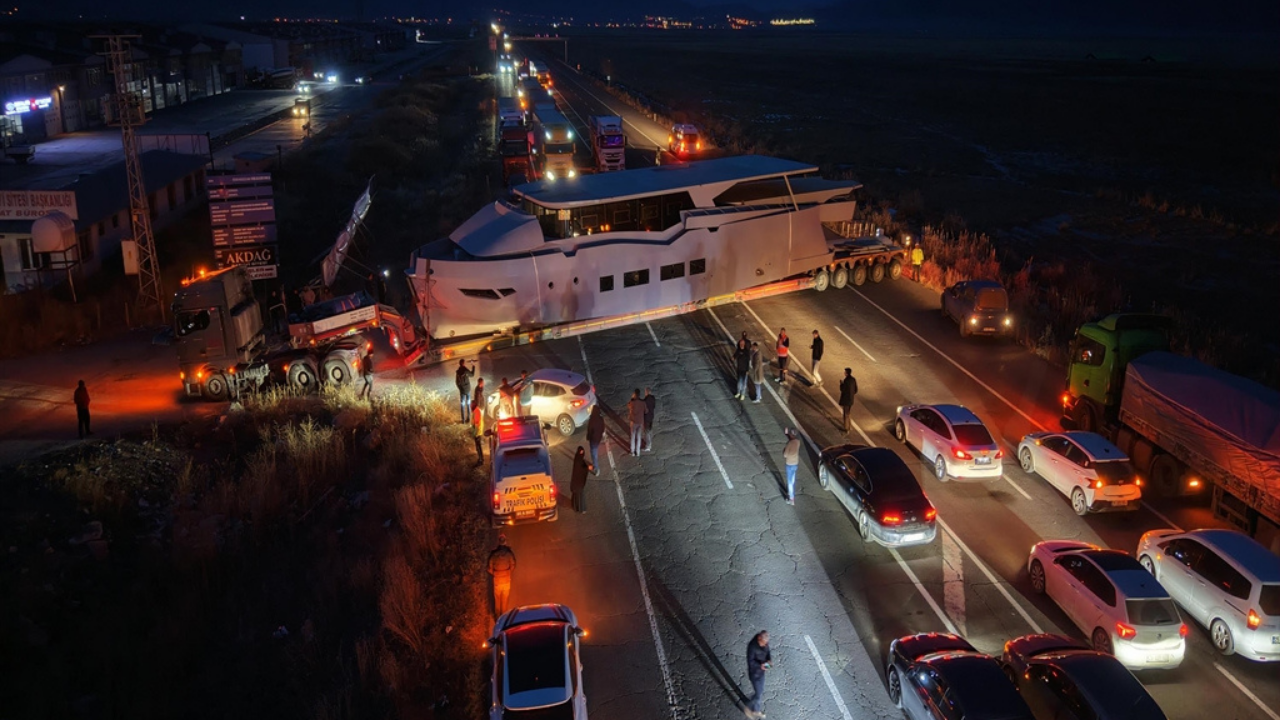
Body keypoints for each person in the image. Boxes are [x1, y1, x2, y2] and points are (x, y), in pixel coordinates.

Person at [488, 535, 517, 618]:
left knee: (497, 600)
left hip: (497, 580)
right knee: (504, 600)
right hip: (506, 580)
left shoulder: (493, 554)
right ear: (505, 542)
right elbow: (513, 565)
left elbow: (489, 568)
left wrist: (495, 573)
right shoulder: (509, 554)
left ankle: (497, 619)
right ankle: (504, 618)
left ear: (498, 542)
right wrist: (507, 573)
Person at [746, 630, 772, 720]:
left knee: (760, 692)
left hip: (762, 672)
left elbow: (768, 652)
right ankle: (749, 707)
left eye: (766, 643)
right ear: (759, 638)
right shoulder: (752, 647)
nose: (765, 645)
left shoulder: (765, 643)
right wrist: (760, 666)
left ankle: (756, 710)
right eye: (764, 643)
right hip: (755, 674)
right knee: (758, 693)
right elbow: (750, 662)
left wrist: (769, 661)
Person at [571, 446, 594, 512]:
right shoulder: (579, 460)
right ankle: (580, 509)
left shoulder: (578, 458)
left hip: (575, 482)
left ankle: (575, 506)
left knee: (576, 496)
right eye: (581, 452)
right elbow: (582, 469)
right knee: (580, 497)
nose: (582, 453)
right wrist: (587, 468)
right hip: (578, 483)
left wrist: (587, 467)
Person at [783, 428, 800, 505]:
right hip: (795, 463)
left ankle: (791, 499)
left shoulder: (789, 444)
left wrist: (784, 450)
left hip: (789, 464)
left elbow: (785, 455)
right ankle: (790, 492)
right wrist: (786, 434)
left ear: (791, 434)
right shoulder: (798, 442)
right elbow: (792, 440)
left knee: (789, 482)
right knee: (792, 478)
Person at [839, 368, 858, 435]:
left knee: (846, 414)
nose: (844, 373)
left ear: (846, 373)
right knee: (848, 413)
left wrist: (841, 384)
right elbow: (856, 390)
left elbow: (842, 389)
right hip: (851, 399)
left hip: (846, 400)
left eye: (845, 372)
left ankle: (846, 428)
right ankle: (849, 426)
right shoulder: (853, 379)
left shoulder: (846, 381)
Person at [586, 405, 605, 475]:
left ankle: (596, 468)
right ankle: (595, 465)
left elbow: (589, 430)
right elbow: (603, 428)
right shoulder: (600, 418)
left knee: (594, 454)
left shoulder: (592, 419)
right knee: (595, 451)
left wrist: (588, 437)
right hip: (598, 439)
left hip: (593, 440)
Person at [456, 358, 476, 423]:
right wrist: (473, 365)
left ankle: (463, 420)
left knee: (462, 405)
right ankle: (468, 418)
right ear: (463, 364)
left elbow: (456, 382)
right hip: (467, 390)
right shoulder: (465, 370)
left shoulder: (458, 372)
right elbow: (472, 374)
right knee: (468, 404)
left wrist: (460, 389)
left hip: (462, 391)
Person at [627, 389, 646, 456]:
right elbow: (646, 411)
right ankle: (638, 452)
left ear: (634, 394)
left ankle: (632, 451)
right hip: (640, 422)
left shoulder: (632, 402)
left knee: (633, 436)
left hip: (633, 422)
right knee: (638, 437)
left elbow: (628, 406)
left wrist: (632, 398)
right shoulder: (643, 402)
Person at [643, 387, 656, 452]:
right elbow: (654, 406)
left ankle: (648, 446)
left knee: (646, 432)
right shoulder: (653, 398)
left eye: (645, 392)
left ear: (646, 392)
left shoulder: (645, 400)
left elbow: (643, 410)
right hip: (651, 416)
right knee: (650, 430)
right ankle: (650, 442)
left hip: (646, 418)